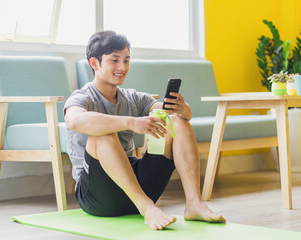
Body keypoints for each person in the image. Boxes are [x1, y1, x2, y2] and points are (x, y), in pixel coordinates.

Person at [64, 31, 225, 230]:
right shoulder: (82, 97)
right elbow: (74, 121)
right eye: (114, 60)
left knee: (177, 121)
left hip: (134, 188)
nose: (122, 67)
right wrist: (131, 122)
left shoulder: (133, 97)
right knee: (104, 135)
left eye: (126, 60)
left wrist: (184, 110)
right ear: (95, 64)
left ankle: (194, 203)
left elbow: (172, 115)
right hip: (97, 196)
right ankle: (147, 208)